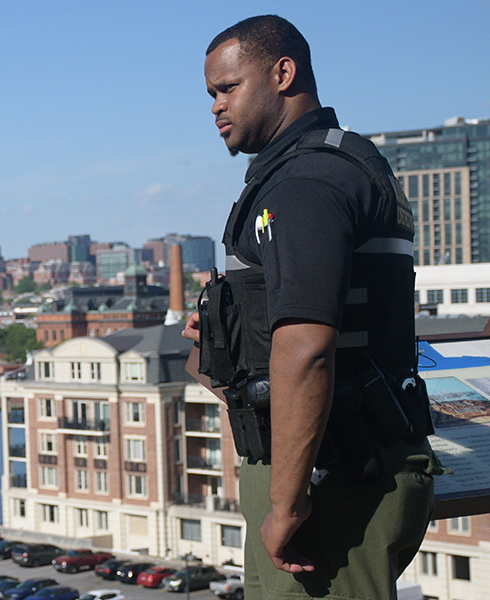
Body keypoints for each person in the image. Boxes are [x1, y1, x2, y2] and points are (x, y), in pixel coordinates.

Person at [184, 15, 441, 599]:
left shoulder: (303, 184)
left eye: (228, 88)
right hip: (350, 468)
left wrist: (285, 504)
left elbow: (307, 349)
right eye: (210, 95)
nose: (216, 107)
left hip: (331, 488)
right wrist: (232, 330)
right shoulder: (340, 162)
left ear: (283, 73)